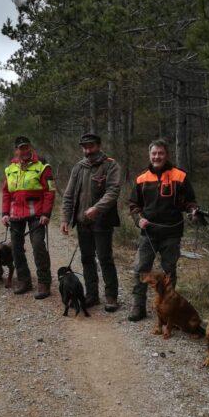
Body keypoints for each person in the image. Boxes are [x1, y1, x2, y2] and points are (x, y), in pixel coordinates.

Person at [128, 139, 201, 322]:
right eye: (154, 153)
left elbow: (190, 202)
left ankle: (169, 310)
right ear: (149, 155)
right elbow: (133, 205)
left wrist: (193, 212)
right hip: (149, 234)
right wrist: (139, 219)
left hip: (172, 234)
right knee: (140, 269)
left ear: (166, 154)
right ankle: (138, 306)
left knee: (169, 272)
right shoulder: (141, 179)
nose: (157, 156)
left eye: (160, 153)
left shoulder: (180, 176)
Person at [60, 133, 122, 312]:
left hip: (102, 222)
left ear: (99, 145)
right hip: (82, 223)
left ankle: (111, 297)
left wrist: (97, 208)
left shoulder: (110, 165)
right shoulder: (78, 167)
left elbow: (113, 191)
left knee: (105, 259)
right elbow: (69, 195)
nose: (88, 150)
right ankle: (92, 295)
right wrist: (65, 218)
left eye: (91, 146)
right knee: (87, 259)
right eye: (85, 147)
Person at [2, 136, 55, 299]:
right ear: (16, 150)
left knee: (38, 245)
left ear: (30, 148)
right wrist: (4, 214)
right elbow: (6, 193)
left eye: (26, 147)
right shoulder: (9, 168)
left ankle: (44, 283)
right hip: (15, 214)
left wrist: (46, 213)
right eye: (20, 148)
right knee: (16, 249)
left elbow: (50, 191)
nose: (23, 151)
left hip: (36, 214)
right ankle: (24, 281)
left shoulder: (43, 166)